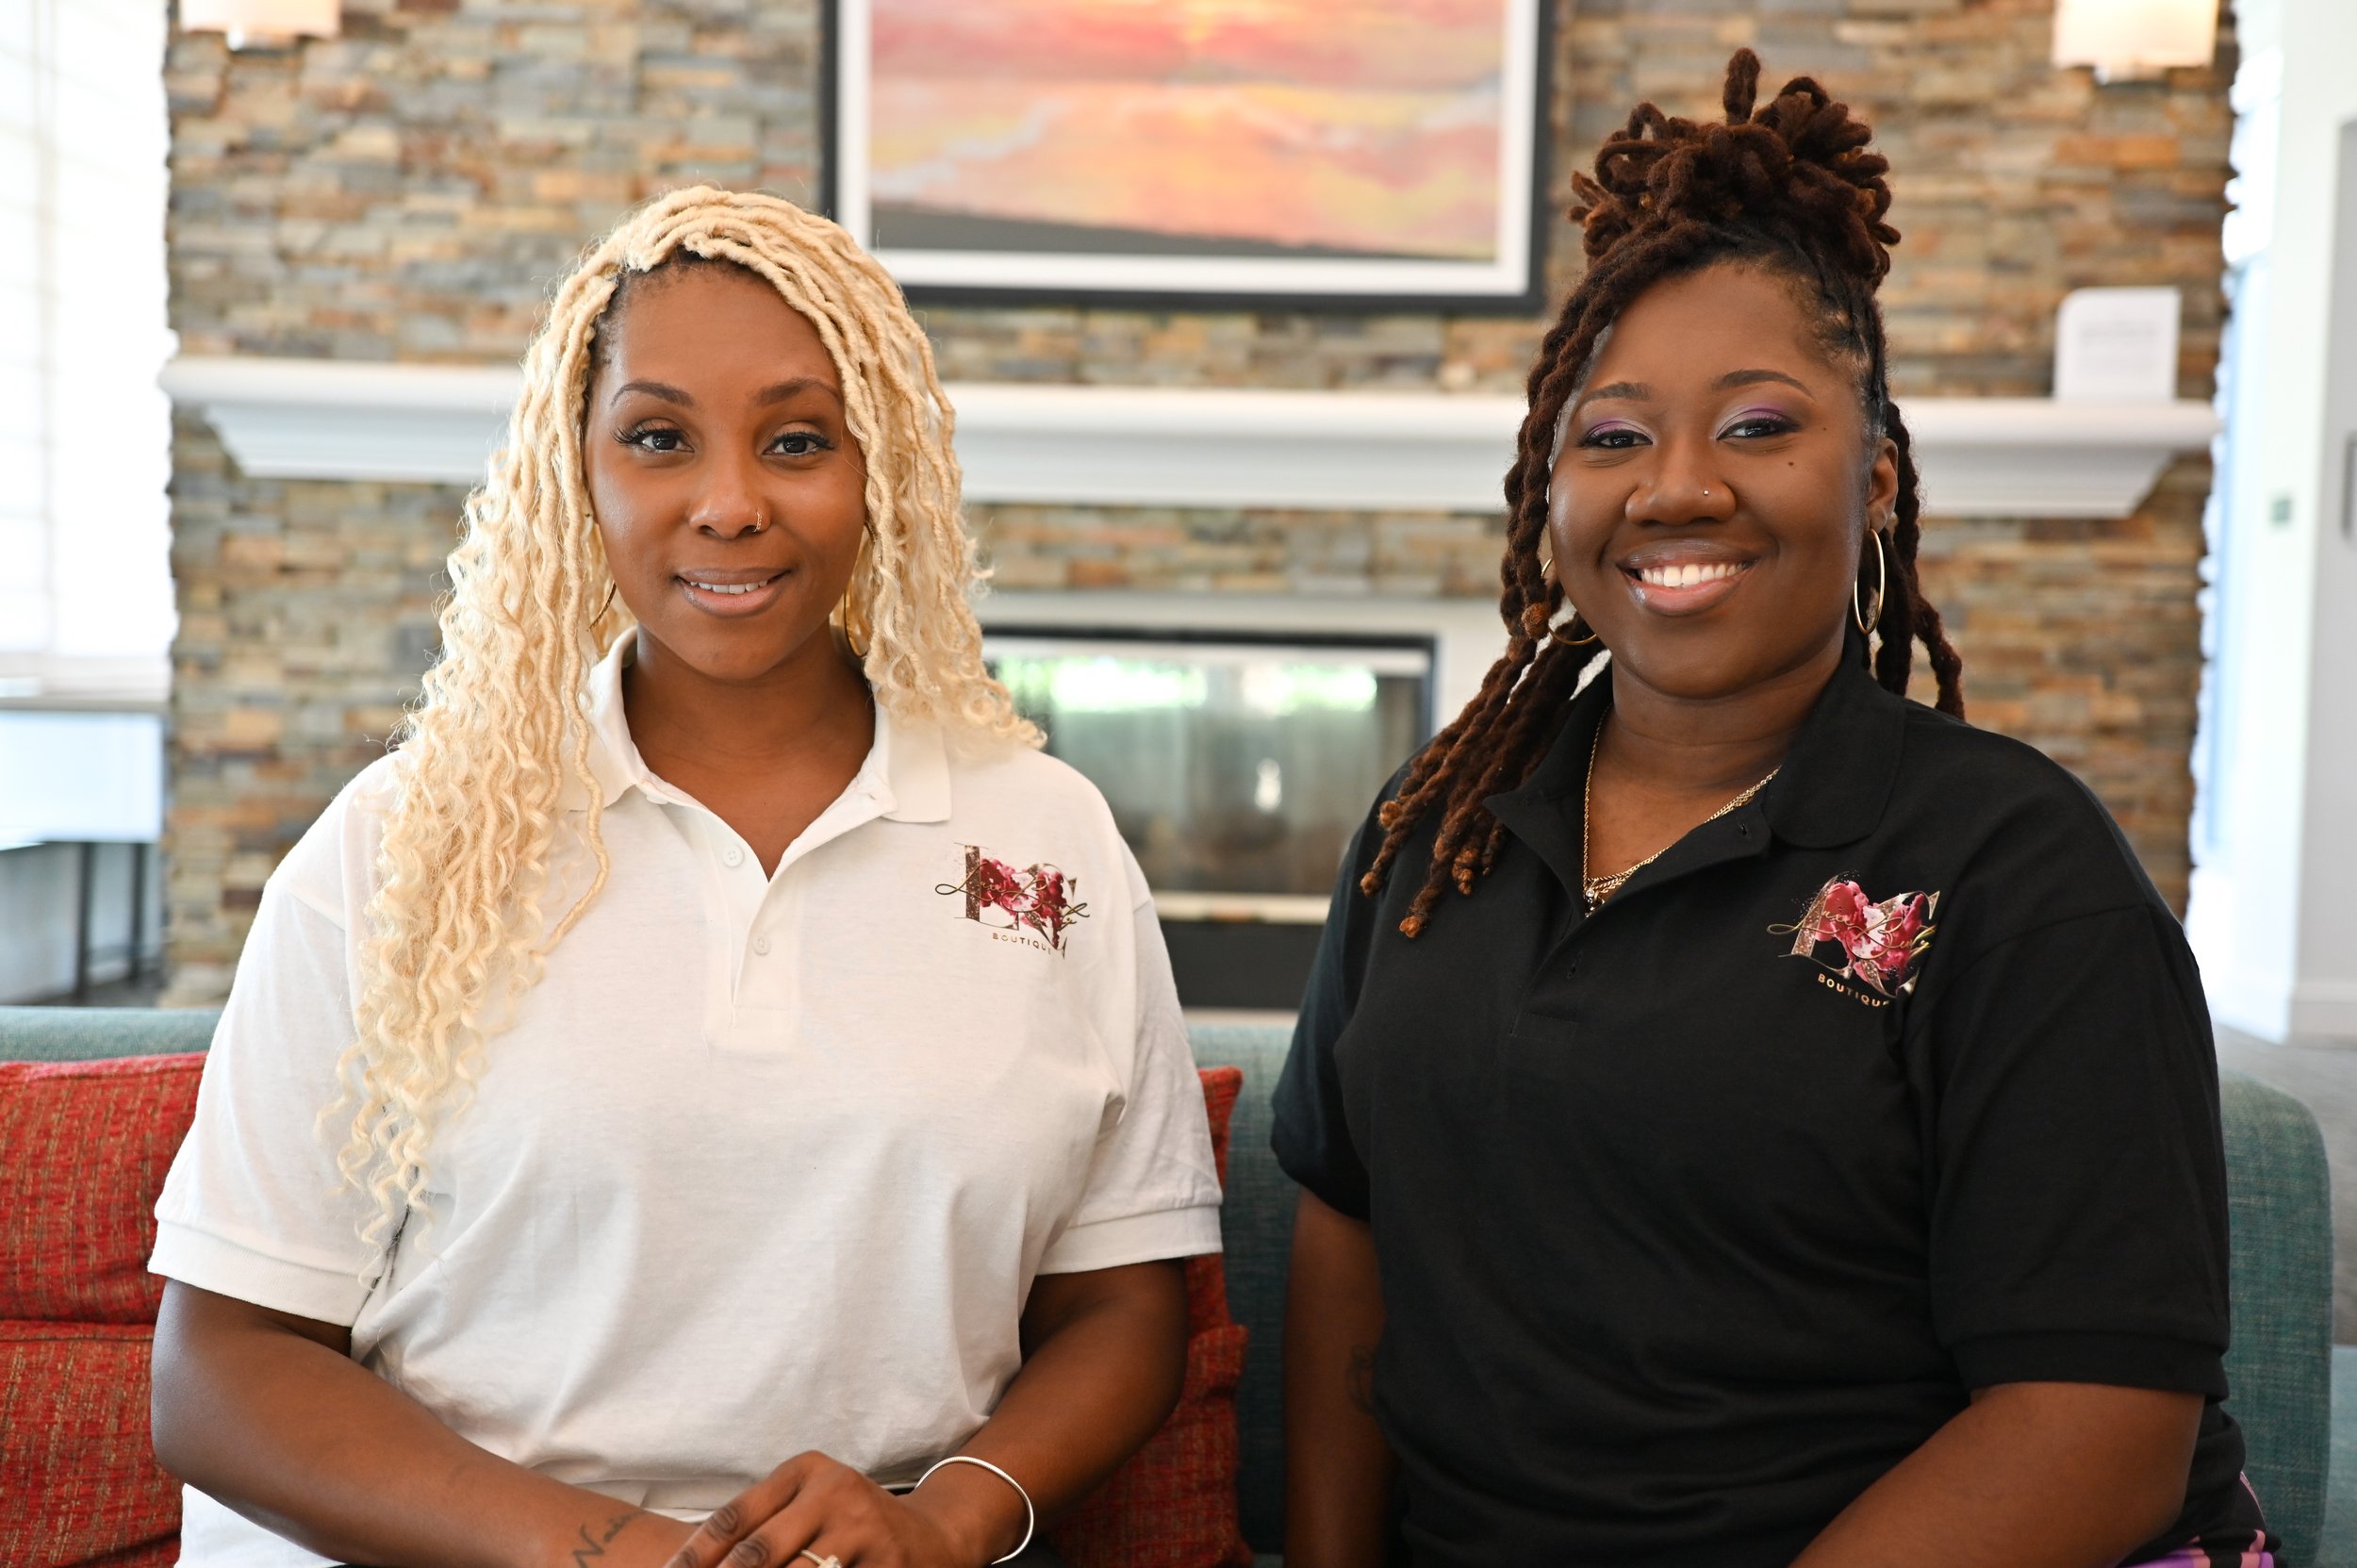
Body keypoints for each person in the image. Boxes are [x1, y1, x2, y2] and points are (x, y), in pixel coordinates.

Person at [1274, 52, 2272, 1568]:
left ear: (1875, 480)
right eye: (1611, 438)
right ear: (1548, 498)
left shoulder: (2017, 870)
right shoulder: (1437, 836)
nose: (1677, 487)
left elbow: (2102, 1424)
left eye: (1757, 426)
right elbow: (1348, 1240)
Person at [148, 187, 1223, 1568]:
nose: (729, 504)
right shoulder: (401, 844)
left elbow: (1123, 1310)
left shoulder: (1045, 841)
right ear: (579, 474)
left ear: (879, 470)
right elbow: (222, 1369)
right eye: (659, 439)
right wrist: (634, 1556)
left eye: (796, 442)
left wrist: (940, 1524)